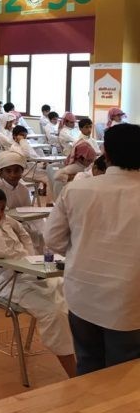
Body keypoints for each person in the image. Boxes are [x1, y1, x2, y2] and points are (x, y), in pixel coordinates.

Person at [45, 124, 140, 374]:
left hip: (82, 291)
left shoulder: (77, 189)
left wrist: (83, 248)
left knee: (88, 364)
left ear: (105, 153)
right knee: (125, 374)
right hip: (129, 298)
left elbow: (52, 239)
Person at [0, 187, 75, 377]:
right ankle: (73, 370)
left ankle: (87, 354)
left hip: (29, 271)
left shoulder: (7, 220)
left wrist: (29, 256)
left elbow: (23, 233)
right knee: (54, 312)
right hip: (8, 283)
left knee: (73, 294)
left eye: (2, 209)